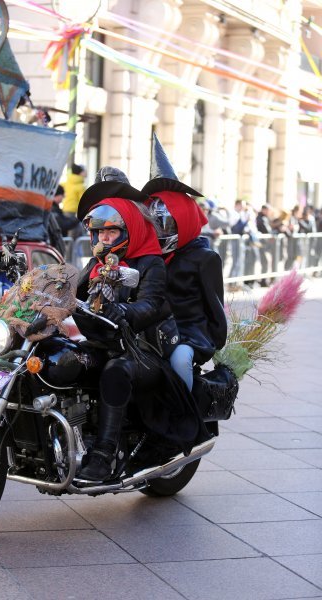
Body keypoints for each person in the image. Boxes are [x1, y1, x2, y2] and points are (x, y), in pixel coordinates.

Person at [75, 175, 209, 481]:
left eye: (112, 230)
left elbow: (151, 304)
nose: (105, 238)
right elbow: (72, 292)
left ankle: (103, 455)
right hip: (106, 341)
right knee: (61, 360)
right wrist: (40, 290)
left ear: (130, 227)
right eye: (100, 232)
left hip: (144, 350)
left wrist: (122, 309)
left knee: (115, 371)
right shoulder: (97, 263)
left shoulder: (150, 263)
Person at [141, 134, 227, 392]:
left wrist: (213, 341)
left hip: (190, 333)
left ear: (184, 219)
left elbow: (215, 308)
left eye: (165, 223)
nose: (158, 231)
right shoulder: (148, 256)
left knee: (179, 360)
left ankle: (184, 413)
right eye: (153, 224)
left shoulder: (205, 258)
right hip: (152, 329)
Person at [62, 163, 87, 238]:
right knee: (73, 236)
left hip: (64, 211)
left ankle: (67, 249)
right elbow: (84, 201)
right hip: (74, 213)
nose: (85, 172)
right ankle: (69, 250)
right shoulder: (80, 186)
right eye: (84, 171)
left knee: (69, 236)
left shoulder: (66, 183)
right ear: (80, 173)